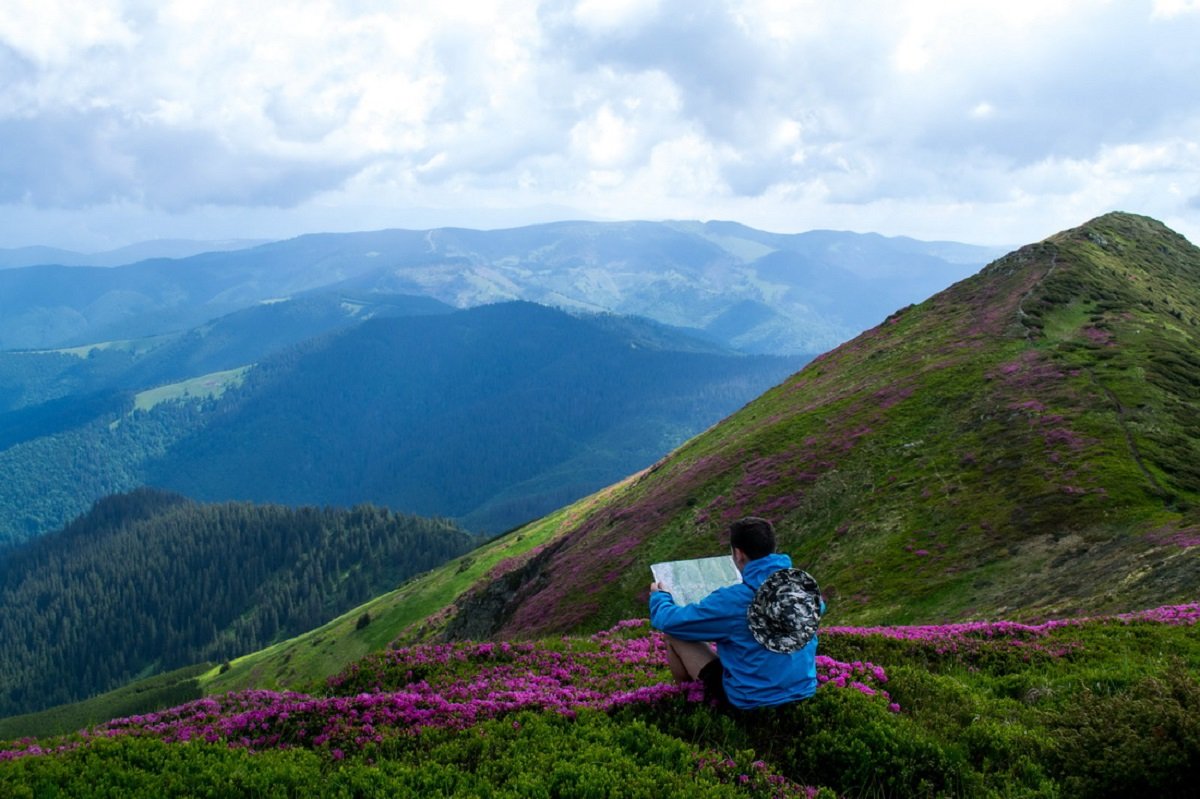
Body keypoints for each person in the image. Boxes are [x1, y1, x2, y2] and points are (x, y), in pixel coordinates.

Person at [648, 516, 823, 710]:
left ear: (738, 554)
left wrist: (660, 597)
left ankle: (689, 703)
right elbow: (819, 608)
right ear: (773, 547)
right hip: (804, 689)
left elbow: (671, 621)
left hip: (751, 701)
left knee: (674, 634)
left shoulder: (733, 601)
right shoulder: (802, 588)